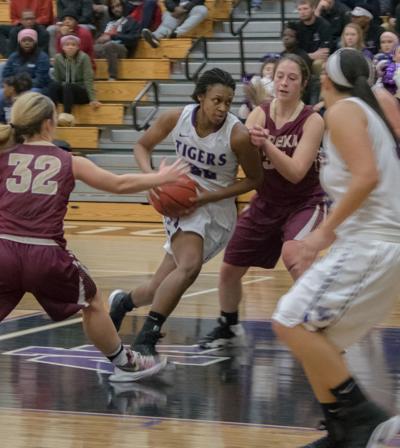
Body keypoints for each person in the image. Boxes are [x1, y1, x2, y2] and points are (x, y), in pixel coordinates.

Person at [0, 91, 189, 383]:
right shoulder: (69, 161)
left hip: (3, 251)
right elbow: (118, 183)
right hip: (44, 254)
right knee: (92, 301)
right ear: (49, 123)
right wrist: (160, 177)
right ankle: (126, 364)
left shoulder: (3, 157)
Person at [271, 48, 400, 447]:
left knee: (289, 320)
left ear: (324, 80)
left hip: (371, 245)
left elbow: (365, 178)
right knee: (317, 340)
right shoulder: (363, 112)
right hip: (375, 246)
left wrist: (318, 237)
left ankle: (365, 419)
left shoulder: (343, 111)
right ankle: (341, 431)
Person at [108, 68, 263, 371]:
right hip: (182, 204)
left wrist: (208, 197)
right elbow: (141, 146)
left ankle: (122, 303)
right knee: (189, 267)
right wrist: (152, 178)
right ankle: (146, 339)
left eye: (228, 102)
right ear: (200, 97)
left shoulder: (238, 135)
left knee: (159, 287)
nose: (222, 108)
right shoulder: (176, 118)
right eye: (217, 100)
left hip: (216, 208)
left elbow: (255, 180)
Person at [198, 55, 326, 349]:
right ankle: (229, 326)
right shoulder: (258, 115)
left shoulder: (313, 120)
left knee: (295, 256)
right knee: (229, 268)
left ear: (304, 83)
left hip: (305, 201)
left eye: (292, 78)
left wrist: (266, 143)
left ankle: (322, 325)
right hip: (266, 201)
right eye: (280, 76)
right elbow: (246, 167)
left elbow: (296, 173)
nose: (284, 82)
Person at [50, 35, 100, 115]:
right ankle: (52, 113)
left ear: (77, 47)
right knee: (53, 85)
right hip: (65, 93)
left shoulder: (84, 57)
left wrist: (93, 99)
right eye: (67, 44)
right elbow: (57, 79)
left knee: (68, 86)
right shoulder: (58, 58)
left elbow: (88, 79)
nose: (70, 47)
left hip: (80, 92)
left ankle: (67, 115)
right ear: (63, 47)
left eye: (73, 45)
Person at [94, 0, 141, 81]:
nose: (116, 9)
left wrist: (113, 37)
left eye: (118, 6)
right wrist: (99, 40)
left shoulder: (131, 21)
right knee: (91, 48)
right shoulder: (110, 23)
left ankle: (112, 77)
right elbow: (102, 38)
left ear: (123, 6)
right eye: (113, 8)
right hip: (105, 47)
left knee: (110, 46)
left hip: (124, 48)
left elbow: (133, 39)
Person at [141, 0, 208, 48]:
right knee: (168, 18)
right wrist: (174, 8)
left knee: (202, 10)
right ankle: (155, 37)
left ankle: (175, 33)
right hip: (175, 10)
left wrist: (183, 8)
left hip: (193, 8)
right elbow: (168, 1)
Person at [2, 29, 50, 96]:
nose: (27, 43)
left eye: (30, 40)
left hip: (34, 88)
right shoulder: (13, 56)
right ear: (19, 42)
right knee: (1, 94)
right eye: (24, 41)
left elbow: (40, 80)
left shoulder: (42, 57)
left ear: (35, 42)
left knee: (29, 94)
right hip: (14, 87)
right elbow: (6, 76)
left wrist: (22, 86)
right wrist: (14, 85)